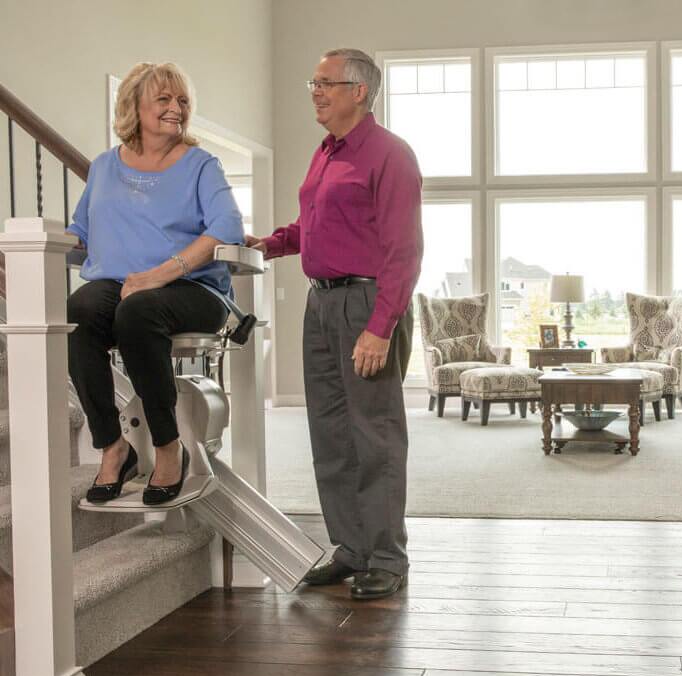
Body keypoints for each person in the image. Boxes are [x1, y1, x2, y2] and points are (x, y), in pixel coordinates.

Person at [247, 48, 422, 600]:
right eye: (313, 82)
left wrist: (380, 325)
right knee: (329, 431)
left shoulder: (389, 155)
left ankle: (389, 558)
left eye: (326, 83)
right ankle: (351, 548)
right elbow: (314, 224)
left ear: (359, 91)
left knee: (375, 435)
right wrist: (269, 244)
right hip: (320, 304)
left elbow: (404, 251)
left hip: (367, 303)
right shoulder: (326, 153)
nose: (315, 92)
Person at [67, 62, 244, 506]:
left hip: (194, 288)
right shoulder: (105, 166)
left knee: (137, 311)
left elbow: (227, 228)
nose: (176, 109)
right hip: (122, 284)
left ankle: (168, 446)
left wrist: (159, 274)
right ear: (134, 107)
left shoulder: (202, 165)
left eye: (182, 101)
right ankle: (113, 446)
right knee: (80, 311)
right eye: (163, 99)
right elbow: (81, 232)